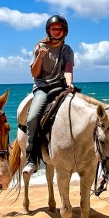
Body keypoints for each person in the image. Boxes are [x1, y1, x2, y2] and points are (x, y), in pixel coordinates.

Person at [22, 15, 75, 175]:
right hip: (43, 88)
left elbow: (68, 69)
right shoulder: (40, 46)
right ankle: (32, 159)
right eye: (54, 29)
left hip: (61, 86)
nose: (57, 31)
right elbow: (34, 73)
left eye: (59, 29)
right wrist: (40, 57)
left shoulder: (67, 50)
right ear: (48, 30)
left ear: (64, 31)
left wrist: (69, 83)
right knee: (32, 118)